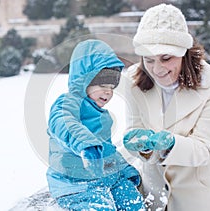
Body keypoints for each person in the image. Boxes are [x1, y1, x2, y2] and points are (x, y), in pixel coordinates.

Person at [122, 4, 210, 211]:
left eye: (166, 58)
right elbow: (134, 129)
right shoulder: (133, 80)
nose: (157, 69)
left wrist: (170, 145)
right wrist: (138, 145)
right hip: (156, 195)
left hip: (200, 197)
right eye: (149, 60)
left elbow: (207, 147)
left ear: (184, 53)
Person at [46, 39, 145, 211]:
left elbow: (106, 149)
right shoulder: (68, 103)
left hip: (104, 178)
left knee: (132, 201)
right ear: (84, 81)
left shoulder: (103, 117)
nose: (108, 92)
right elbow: (63, 123)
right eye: (101, 85)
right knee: (100, 208)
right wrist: (87, 145)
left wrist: (123, 170)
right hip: (74, 184)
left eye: (111, 87)